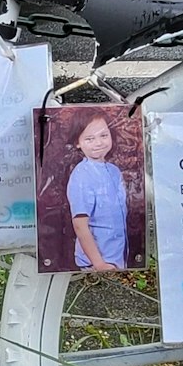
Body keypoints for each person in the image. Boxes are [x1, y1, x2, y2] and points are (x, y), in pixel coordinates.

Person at [67, 111, 128, 271]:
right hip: (97, 265)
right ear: (77, 142)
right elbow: (80, 225)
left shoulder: (114, 171)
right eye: (89, 139)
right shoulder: (81, 175)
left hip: (117, 259)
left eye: (103, 135)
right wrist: (99, 264)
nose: (98, 143)